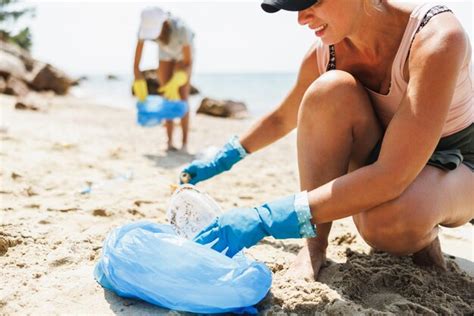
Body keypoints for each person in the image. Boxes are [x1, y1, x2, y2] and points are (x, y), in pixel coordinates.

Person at [182, 0, 473, 280]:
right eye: (293, 7)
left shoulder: (437, 38)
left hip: (460, 164)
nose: (301, 18)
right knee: (327, 91)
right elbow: (282, 118)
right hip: (392, 155)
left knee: (386, 224)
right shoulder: (325, 53)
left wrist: (266, 218)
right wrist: (224, 158)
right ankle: (314, 244)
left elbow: (391, 175)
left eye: (312, 2)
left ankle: (422, 233)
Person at [133, 7, 194, 151]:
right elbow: (136, 64)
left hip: (182, 54)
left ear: (164, 24)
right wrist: (138, 80)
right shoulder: (144, 28)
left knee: (182, 95)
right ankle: (169, 141)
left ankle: (184, 143)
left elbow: (187, 63)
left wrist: (179, 79)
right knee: (166, 95)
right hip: (165, 54)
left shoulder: (182, 29)